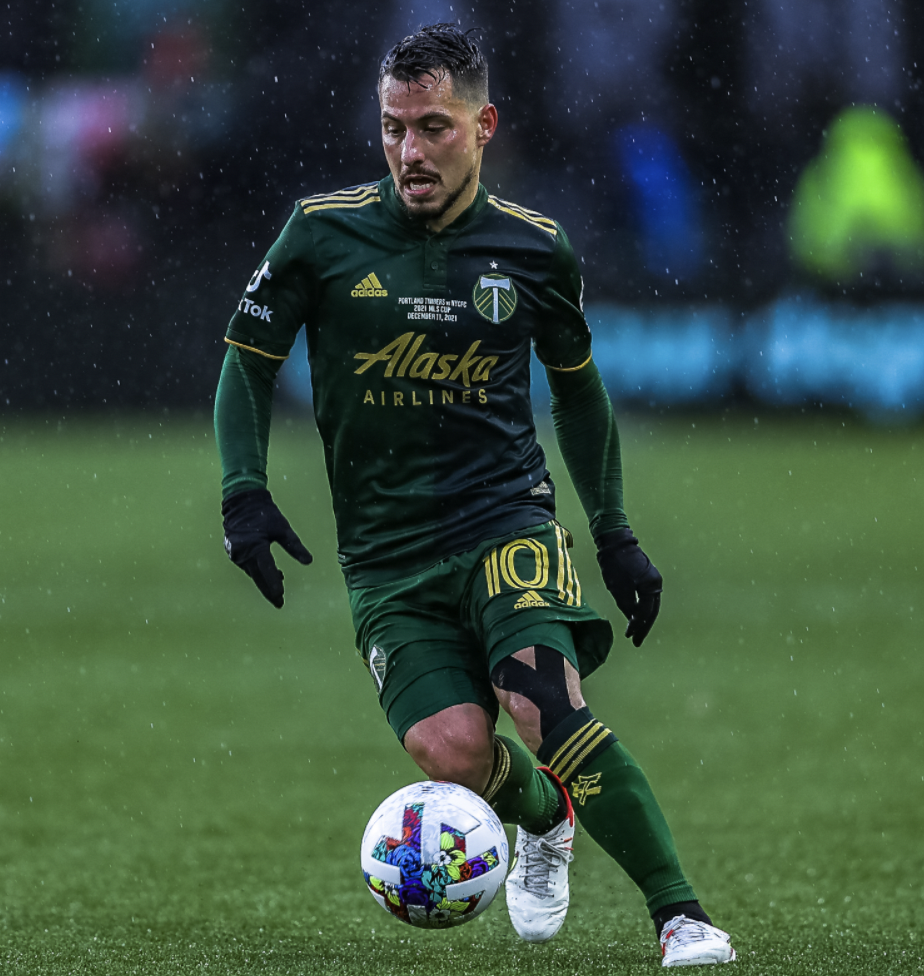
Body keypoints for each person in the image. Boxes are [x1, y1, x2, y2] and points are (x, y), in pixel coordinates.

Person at [213, 24, 735, 967]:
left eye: (433, 127)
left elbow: (579, 391)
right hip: (386, 557)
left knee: (543, 706)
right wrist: (242, 495)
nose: (410, 151)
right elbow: (246, 365)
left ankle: (680, 915)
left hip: (504, 521)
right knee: (451, 750)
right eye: (393, 128)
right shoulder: (321, 232)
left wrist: (613, 535)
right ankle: (542, 818)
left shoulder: (534, 250)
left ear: (483, 124)